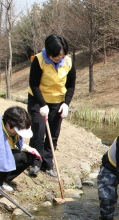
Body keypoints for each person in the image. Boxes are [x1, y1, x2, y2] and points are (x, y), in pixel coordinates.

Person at [27, 34, 76, 178]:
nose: (59, 58)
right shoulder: (39, 60)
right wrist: (42, 104)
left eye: (62, 55)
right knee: (39, 129)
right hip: (38, 99)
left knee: (53, 134)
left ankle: (47, 163)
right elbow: (34, 84)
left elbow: (71, 86)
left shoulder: (68, 62)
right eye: (56, 55)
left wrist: (66, 104)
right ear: (49, 51)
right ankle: (35, 162)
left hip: (57, 101)